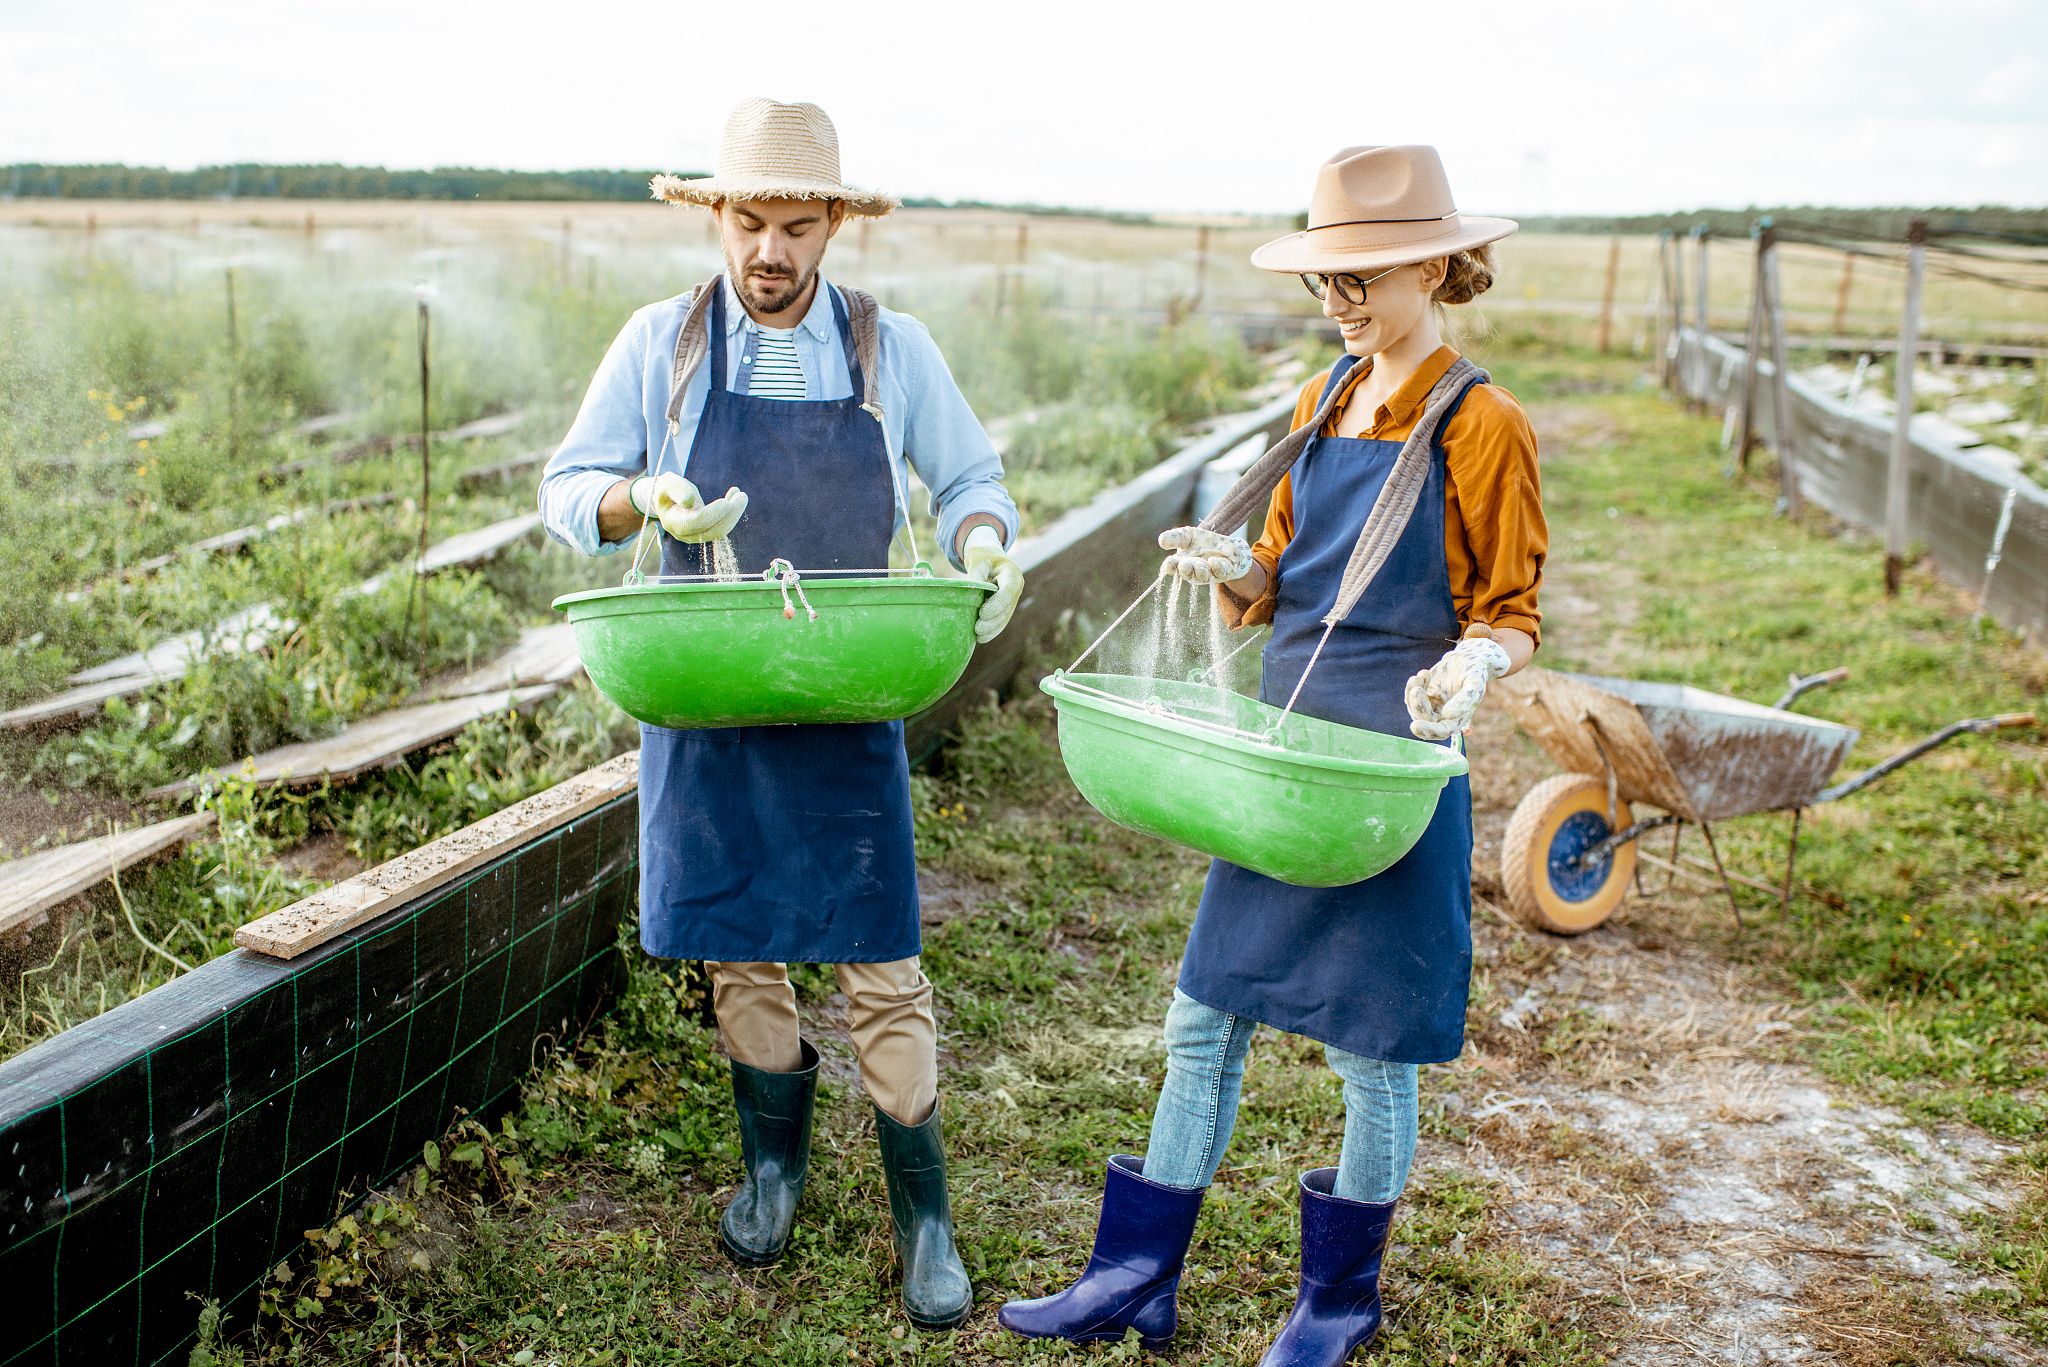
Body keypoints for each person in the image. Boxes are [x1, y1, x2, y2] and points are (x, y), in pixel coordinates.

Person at [998, 145, 1545, 1365]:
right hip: (1284, 753)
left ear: (1432, 267)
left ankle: (1335, 1303)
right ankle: (1133, 1274)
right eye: (1324, 281)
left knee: (1368, 1049)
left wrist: (1476, 668)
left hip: (1388, 765)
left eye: (1361, 278)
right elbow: (1275, 584)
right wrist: (1228, 564)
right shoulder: (1318, 403)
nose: (1339, 302)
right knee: (1204, 1018)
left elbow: (1508, 605)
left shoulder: (1481, 421)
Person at [537, 97, 1024, 1332]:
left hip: (843, 679)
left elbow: (968, 478)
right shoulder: (662, 344)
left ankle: (925, 1214)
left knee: (879, 950)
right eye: (747, 222)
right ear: (714, 215)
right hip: (706, 685)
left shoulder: (885, 349)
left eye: (796, 226)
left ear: (833, 228)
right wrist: (635, 499)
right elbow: (564, 488)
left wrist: (982, 541)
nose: (769, 251)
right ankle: (773, 1168)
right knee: (741, 940)